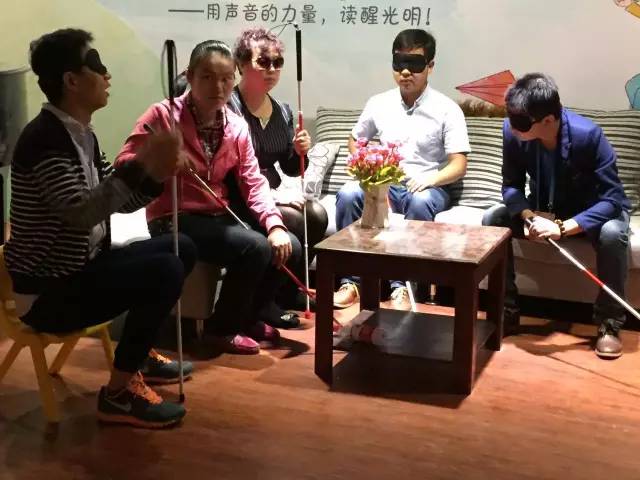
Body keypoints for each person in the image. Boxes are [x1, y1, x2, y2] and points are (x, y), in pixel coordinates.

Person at [5, 28, 196, 428]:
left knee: (181, 246)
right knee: (166, 270)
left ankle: (136, 355)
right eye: (96, 65)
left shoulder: (81, 135)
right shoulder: (44, 140)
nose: (107, 74)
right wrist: (142, 163)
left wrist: (155, 173)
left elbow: (117, 201)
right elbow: (81, 213)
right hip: (49, 293)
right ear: (71, 81)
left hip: (83, 271)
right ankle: (118, 395)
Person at [116, 40, 301, 355]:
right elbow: (125, 162)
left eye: (226, 79)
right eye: (207, 77)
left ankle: (248, 318)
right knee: (254, 248)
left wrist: (274, 224)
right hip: (173, 216)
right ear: (189, 76)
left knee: (289, 246)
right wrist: (159, 158)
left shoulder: (236, 126)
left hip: (216, 215)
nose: (219, 87)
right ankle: (221, 329)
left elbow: (252, 181)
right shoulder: (163, 115)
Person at [482, 73, 630, 359]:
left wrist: (561, 228)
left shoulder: (588, 135)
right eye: (510, 118)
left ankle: (610, 323)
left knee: (613, 233)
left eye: (521, 122)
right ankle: (506, 312)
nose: (512, 127)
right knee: (493, 219)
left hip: (592, 210)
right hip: (542, 209)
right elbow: (511, 186)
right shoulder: (512, 132)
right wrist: (528, 216)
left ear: (548, 120)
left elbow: (612, 199)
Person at [333, 28, 470, 309]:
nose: (405, 72)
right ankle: (351, 281)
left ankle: (403, 287)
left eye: (415, 64)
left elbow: (459, 164)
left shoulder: (447, 109)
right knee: (348, 194)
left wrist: (432, 179)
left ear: (430, 66)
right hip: (386, 183)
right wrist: (366, 167)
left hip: (427, 186)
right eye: (399, 64)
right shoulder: (379, 103)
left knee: (420, 200)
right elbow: (355, 139)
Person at [227, 27, 328, 325]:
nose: (272, 69)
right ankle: (264, 301)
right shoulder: (230, 107)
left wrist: (299, 150)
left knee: (316, 215)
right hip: (239, 193)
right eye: (263, 62)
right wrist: (272, 199)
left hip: (271, 191)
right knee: (296, 221)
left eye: (278, 62)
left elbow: (291, 168)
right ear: (241, 64)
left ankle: (286, 290)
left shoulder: (282, 111)